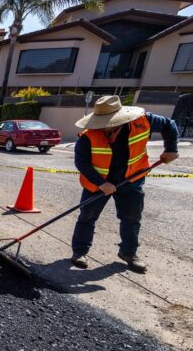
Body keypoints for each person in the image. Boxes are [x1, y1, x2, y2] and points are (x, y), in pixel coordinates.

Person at [70, 95, 179, 273]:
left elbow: (169, 125)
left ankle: (128, 253)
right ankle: (79, 253)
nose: (105, 126)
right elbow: (82, 163)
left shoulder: (143, 122)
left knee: (131, 219)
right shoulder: (87, 137)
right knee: (87, 217)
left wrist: (171, 149)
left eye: (109, 122)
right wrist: (101, 183)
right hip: (98, 183)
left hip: (131, 180)